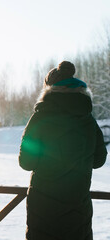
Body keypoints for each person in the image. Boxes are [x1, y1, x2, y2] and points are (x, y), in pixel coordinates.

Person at [18, 61, 108, 240]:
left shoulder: (40, 118)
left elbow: (26, 162)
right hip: (77, 208)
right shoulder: (87, 120)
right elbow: (99, 160)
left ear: (49, 89)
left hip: (43, 210)